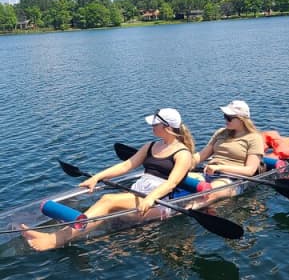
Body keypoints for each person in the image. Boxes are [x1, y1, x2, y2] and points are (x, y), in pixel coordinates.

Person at [22, 108, 195, 251]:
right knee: (104, 207)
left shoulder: (183, 154)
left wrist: (150, 198)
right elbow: (126, 165)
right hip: (138, 193)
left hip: (158, 203)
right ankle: (62, 234)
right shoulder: (151, 145)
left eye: (154, 124)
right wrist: (96, 177)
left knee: (107, 200)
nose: (151, 127)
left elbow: (171, 183)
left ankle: (53, 240)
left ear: (166, 127)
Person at [192, 100, 264, 199]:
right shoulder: (221, 132)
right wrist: (184, 161)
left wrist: (219, 168)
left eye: (229, 118)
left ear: (241, 119)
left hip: (232, 179)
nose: (226, 120)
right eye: (225, 116)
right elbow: (202, 155)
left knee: (209, 194)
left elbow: (250, 171)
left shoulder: (254, 138)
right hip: (209, 173)